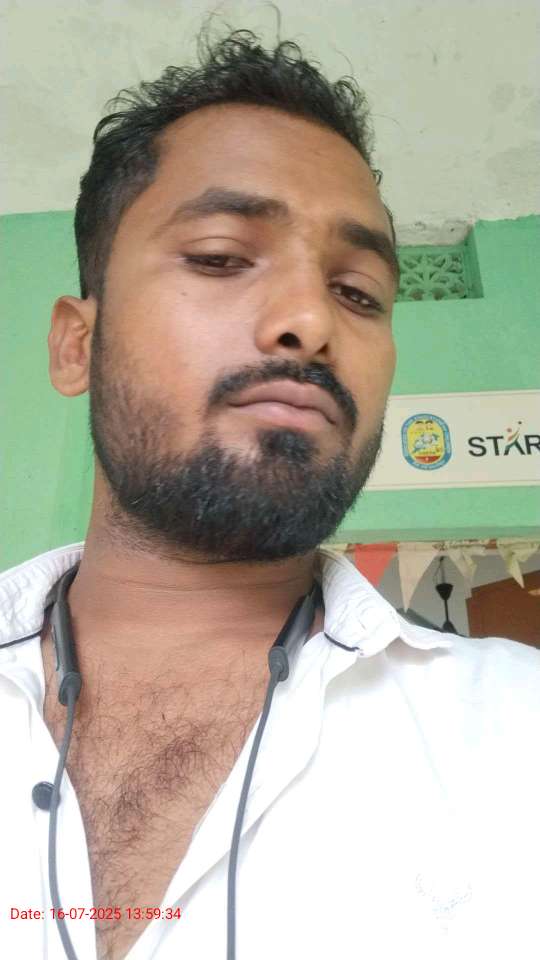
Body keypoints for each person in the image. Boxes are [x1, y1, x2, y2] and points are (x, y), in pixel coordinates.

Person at [2, 17, 539, 960]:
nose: (309, 320)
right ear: (76, 345)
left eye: (358, 292)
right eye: (219, 256)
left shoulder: (517, 733)